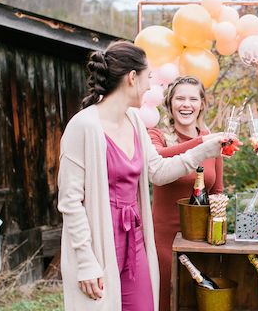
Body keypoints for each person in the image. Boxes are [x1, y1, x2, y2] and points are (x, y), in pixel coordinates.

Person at [57, 41, 230, 311]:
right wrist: (85, 260)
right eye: (148, 77)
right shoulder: (83, 126)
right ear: (132, 77)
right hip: (100, 241)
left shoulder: (135, 122)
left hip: (135, 239)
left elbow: (158, 172)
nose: (151, 86)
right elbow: (70, 202)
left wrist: (203, 150)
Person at [147, 76, 224, 311]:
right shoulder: (155, 135)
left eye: (193, 98)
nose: (186, 104)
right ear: (170, 104)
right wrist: (202, 143)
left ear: (202, 103)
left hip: (200, 240)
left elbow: (217, 191)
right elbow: (159, 160)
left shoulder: (212, 141)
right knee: (166, 299)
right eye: (179, 98)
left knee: (197, 298)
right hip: (163, 239)